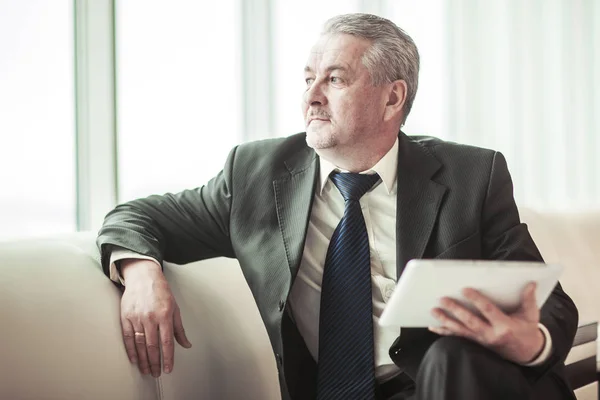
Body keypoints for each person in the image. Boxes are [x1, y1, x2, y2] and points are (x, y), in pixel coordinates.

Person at [97, 13, 578, 400]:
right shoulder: (257, 175)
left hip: (462, 384)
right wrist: (140, 272)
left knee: (452, 358)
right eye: (308, 78)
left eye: (335, 79)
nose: (311, 96)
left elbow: (549, 304)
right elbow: (138, 216)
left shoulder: (472, 175)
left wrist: (529, 342)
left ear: (392, 98)